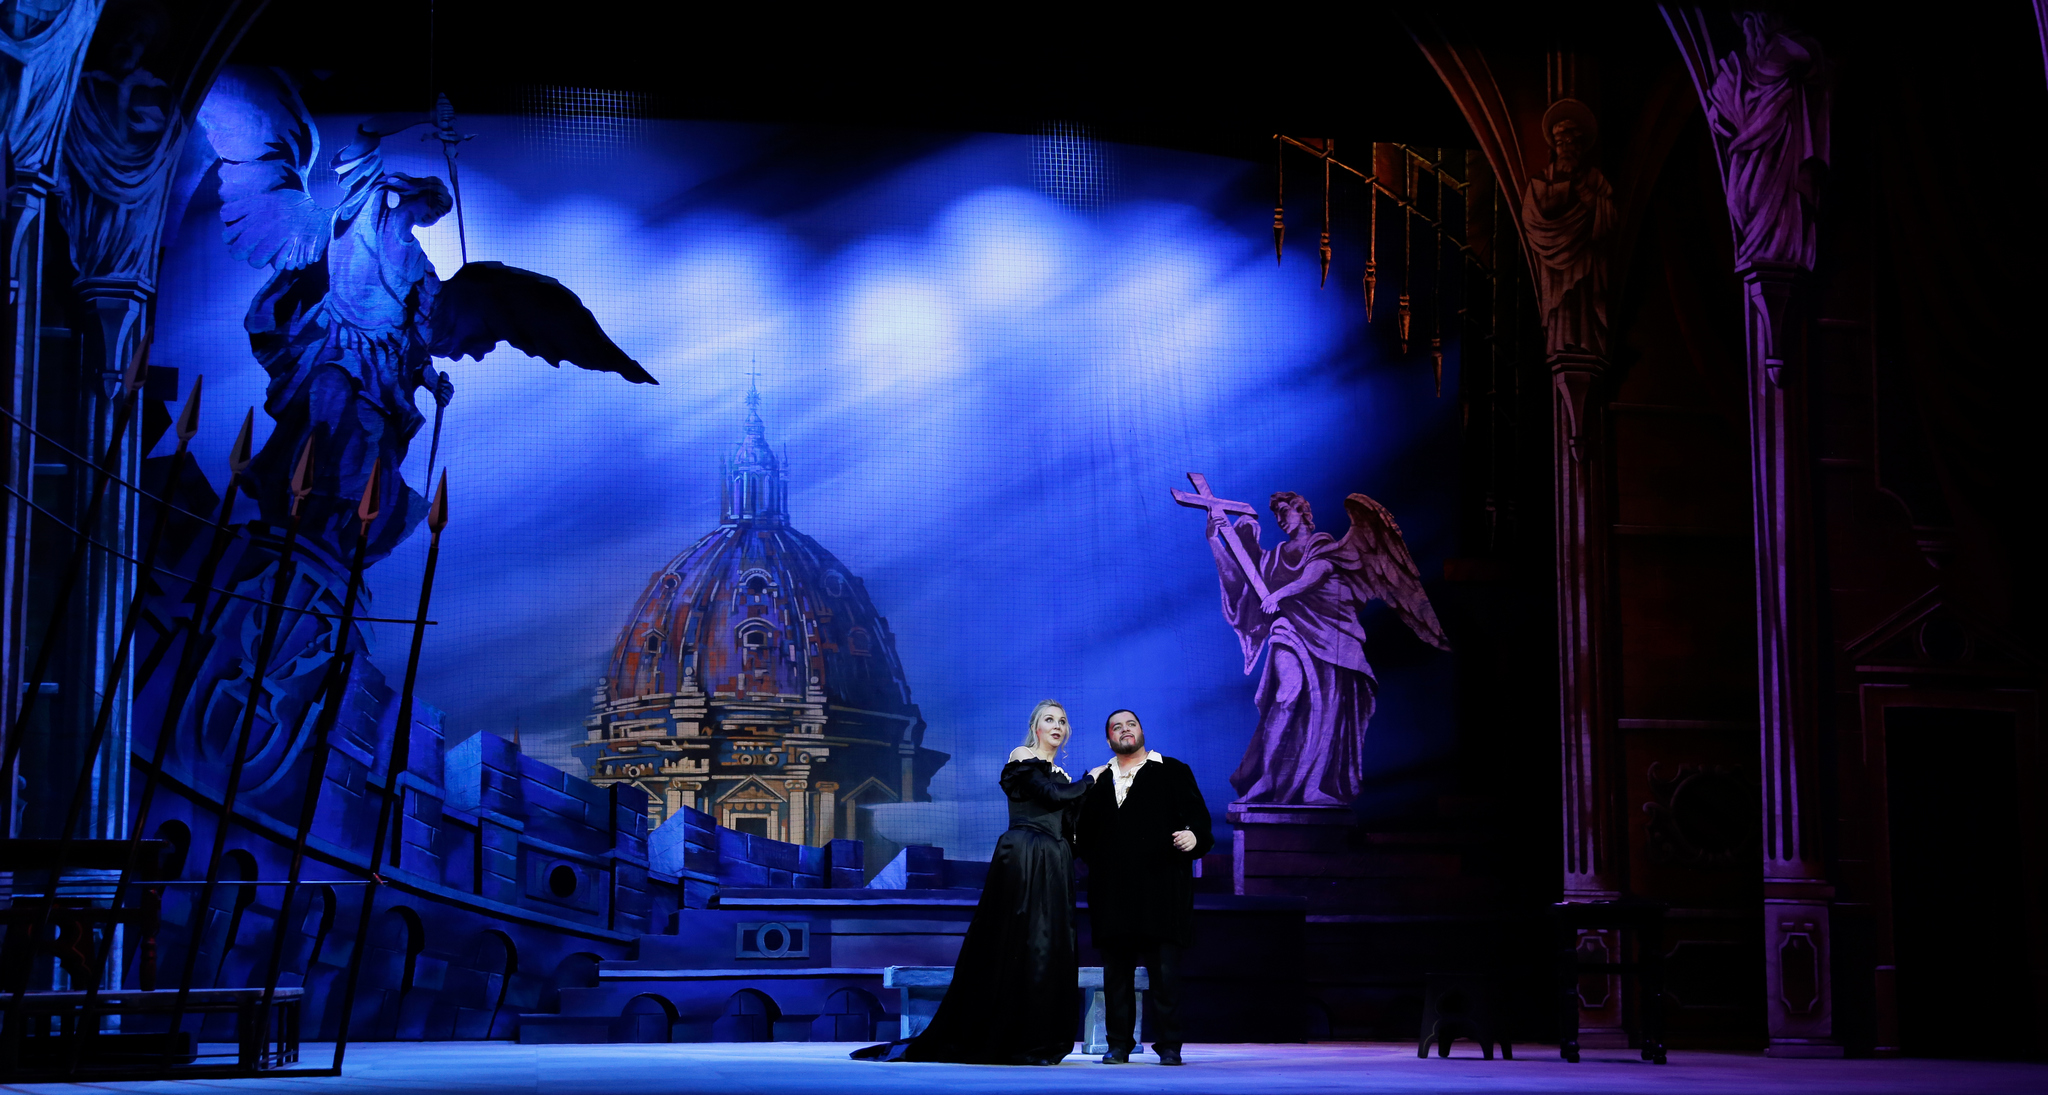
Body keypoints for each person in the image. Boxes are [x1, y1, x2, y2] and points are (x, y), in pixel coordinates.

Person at [852, 700, 1094, 1064]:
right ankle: (1003, 1032)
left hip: (1053, 861)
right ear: (1036, 727)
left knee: (1046, 946)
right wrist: (1090, 781)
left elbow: (1071, 826)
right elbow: (1049, 795)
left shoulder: (1063, 775)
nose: (1057, 725)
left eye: (1062, 720)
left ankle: (1037, 1036)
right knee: (1016, 939)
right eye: (1049, 719)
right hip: (1025, 854)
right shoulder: (1022, 756)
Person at [1077, 709, 1213, 1065]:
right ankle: (1118, 1045)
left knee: (1164, 973)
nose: (1125, 730)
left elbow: (1199, 821)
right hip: (1112, 894)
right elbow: (1082, 834)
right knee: (1116, 975)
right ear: (1109, 738)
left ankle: (1169, 1046)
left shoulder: (1172, 770)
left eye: (1131, 724)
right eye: (1116, 727)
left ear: (1141, 731)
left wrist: (1193, 836)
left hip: (1161, 892)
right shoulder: (1097, 778)